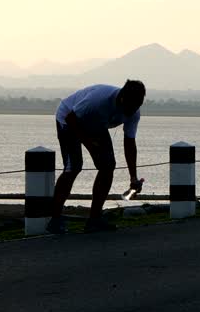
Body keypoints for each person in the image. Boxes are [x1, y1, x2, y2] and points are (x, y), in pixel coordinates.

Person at [47, 79, 146, 234]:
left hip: (96, 124)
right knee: (74, 166)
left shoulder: (134, 112)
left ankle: (94, 220)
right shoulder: (98, 101)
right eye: (129, 107)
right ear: (121, 98)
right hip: (69, 119)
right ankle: (54, 219)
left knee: (108, 166)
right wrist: (88, 143)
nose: (131, 111)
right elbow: (70, 118)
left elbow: (129, 144)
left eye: (136, 107)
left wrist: (133, 177)